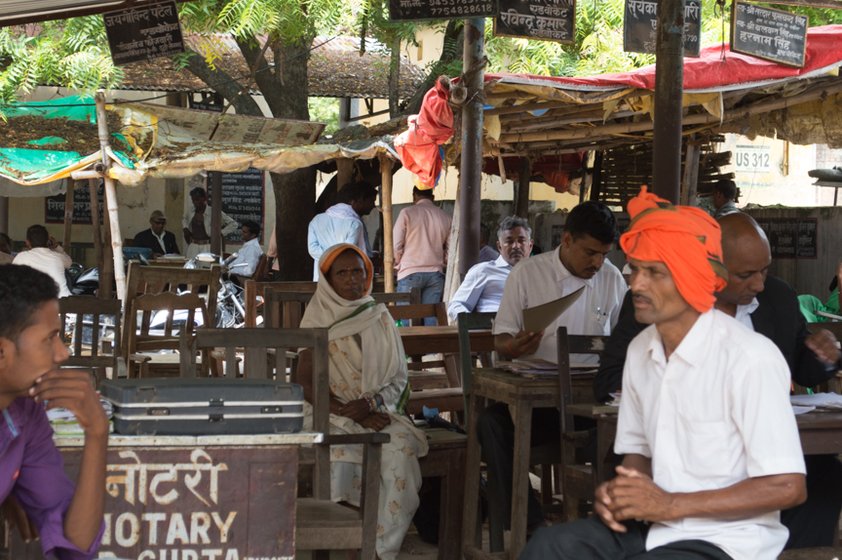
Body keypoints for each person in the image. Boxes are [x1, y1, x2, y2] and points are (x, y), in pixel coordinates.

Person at [522, 187, 807, 560]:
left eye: (654, 273)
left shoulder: (749, 357)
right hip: (655, 526)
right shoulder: (641, 352)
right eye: (636, 269)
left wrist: (672, 504)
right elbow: (637, 455)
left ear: (693, 278)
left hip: (727, 540)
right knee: (550, 546)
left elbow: (788, 486)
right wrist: (623, 492)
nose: (636, 284)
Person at [595, 211, 842, 549]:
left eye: (764, 271)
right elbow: (608, 377)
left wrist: (824, 356)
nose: (758, 283)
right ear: (710, 268)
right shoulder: (658, 303)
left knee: (824, 476)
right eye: (745, 274)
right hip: (686, 453)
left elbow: (802, 367)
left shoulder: (778, 298)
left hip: (768, 446)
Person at [479, 201, 627, 533]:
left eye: (604, 254)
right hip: (538, 409)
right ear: (568, 241)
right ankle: (530, 528)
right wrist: (514, 345)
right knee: (490, 424)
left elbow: (623, 342)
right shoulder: (527, 274)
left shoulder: (612, 279)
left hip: (591, 409)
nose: (597, 263)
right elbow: (500, 340)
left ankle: (610, 531)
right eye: (590, 253)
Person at [296, 244, 428, 560]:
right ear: (328, 279)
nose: (352, 279)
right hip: (329, 411)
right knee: (343, 451)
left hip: (379, 410)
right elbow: (306, 383)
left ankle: (377, 550)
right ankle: (342, 542)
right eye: (342, 273)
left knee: (400, 451)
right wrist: (349, 412)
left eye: (358, 271)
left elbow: (398, 378)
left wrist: (370, 405)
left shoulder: (379, 316)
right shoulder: (318, 317)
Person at [0, 264, 108, 559]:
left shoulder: (25, 415)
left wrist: (98, 433)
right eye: (50, 338)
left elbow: (74, 546)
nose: (63, 353)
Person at [446, 216, 533, 323]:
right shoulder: (483, 271)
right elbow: (456, 306)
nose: (516, 246)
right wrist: (475, 324)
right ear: (499, 246)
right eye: (509, 241)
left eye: (521, 240)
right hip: (492, 333)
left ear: (530, 245)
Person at [393, 186, 452, 324]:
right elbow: (451, 248)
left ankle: (407, 346)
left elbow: (396, 244)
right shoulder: (445, 216)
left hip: (409, 271)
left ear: (414, 196)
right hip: (435, 273)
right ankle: (430, 345)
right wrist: (443, 261)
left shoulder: (406, 213)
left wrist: (398, 261)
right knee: (430, 318)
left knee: (406, 318)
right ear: (432, 197)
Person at [307, 181, 378, 281]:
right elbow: (346, 251)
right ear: (358, 200)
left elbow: (313, 249)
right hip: (345, 280)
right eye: (371, 201)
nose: (373, 206)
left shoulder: (316, 220)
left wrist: (328, 257)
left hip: (321, 277)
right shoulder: (354, 224)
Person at [13, 225, 73, 298]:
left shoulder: (21, 257)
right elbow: (69, 262)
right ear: (48, 241)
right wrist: (56, 247)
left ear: (27, 242)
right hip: (63, 302)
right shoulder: (58, 257)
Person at [181, 187, 238, 259]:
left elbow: (233, 224)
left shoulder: (213, 211)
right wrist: (185, 228)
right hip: (193, 245)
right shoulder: (190, 211)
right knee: (190, 267)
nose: (195, 203)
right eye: (193, 200)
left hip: (207, 245)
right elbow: (184, 219)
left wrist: (220, 233)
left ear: (204, 198)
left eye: (197, 200)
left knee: (206, 267)